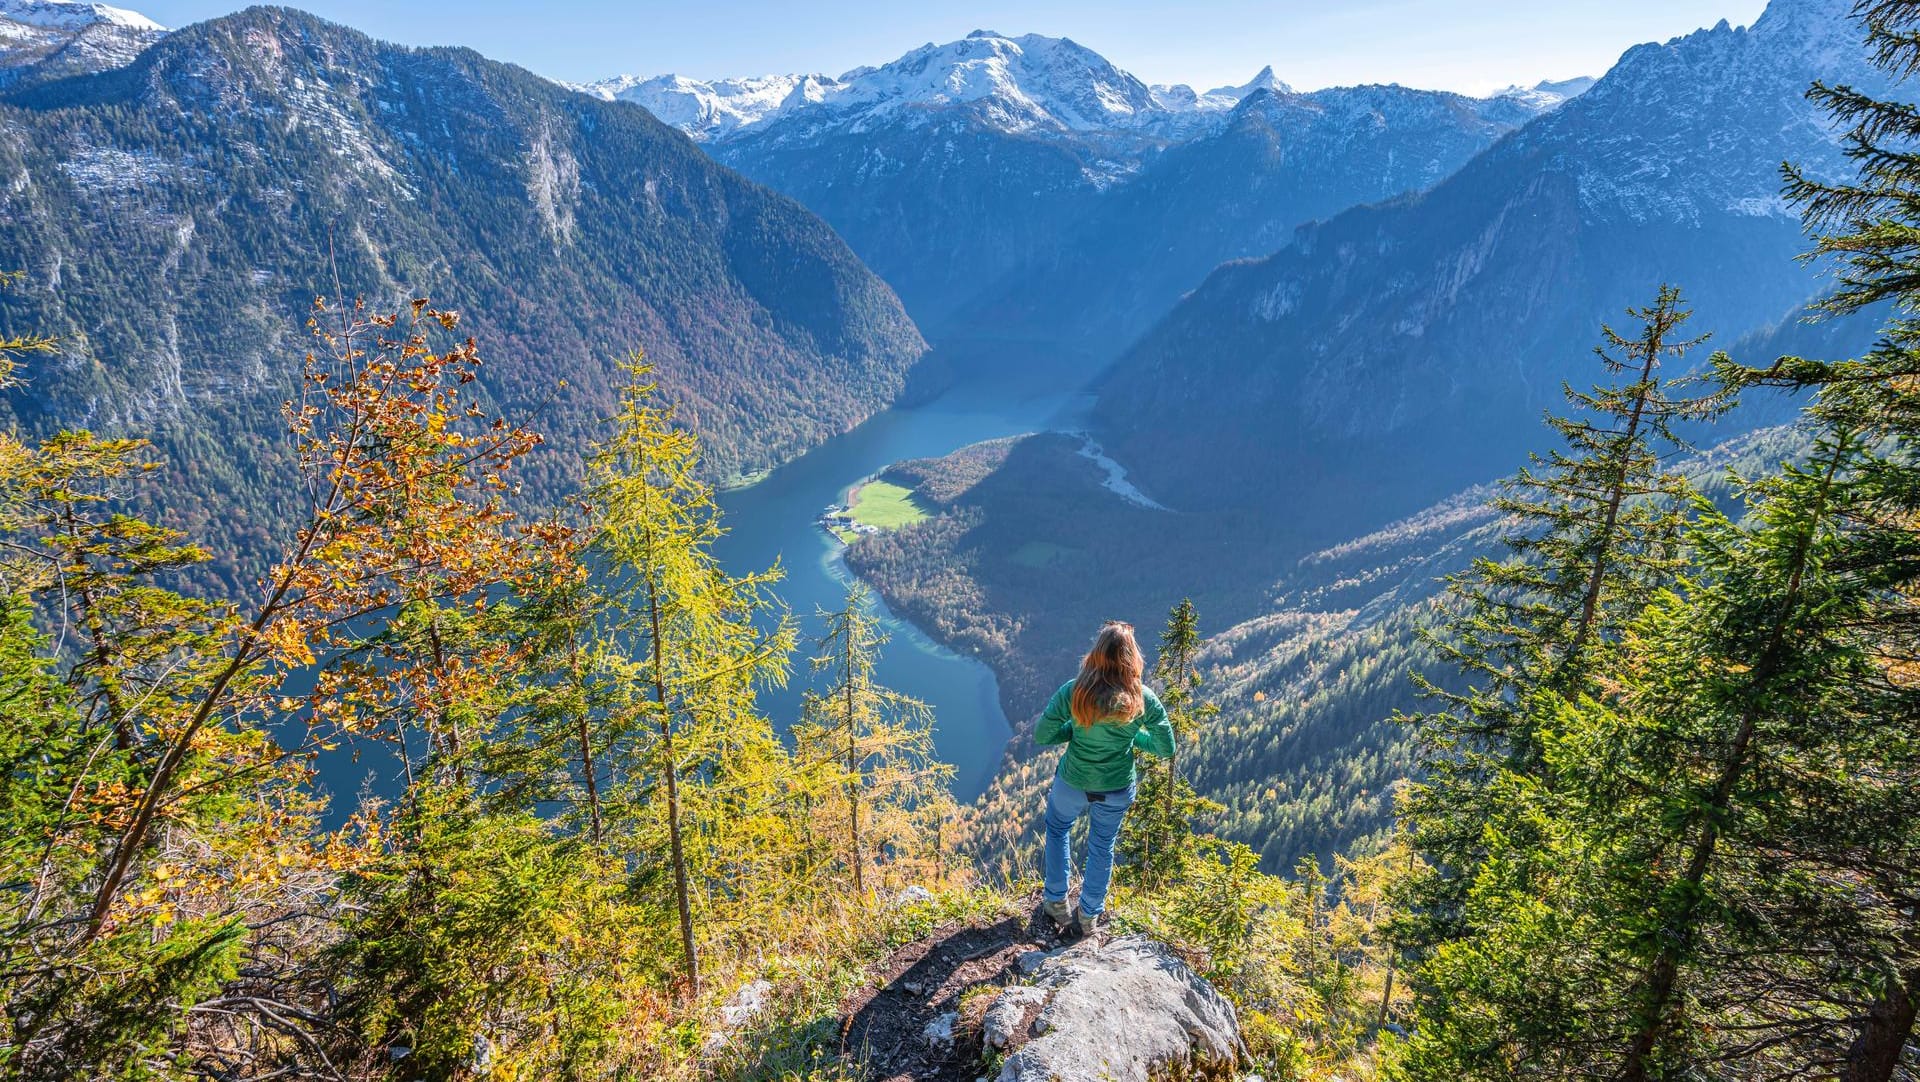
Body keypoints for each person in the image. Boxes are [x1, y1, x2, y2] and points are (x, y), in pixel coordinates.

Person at [1034, 620, 1176, 937]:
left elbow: (1043, 735)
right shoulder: (1143, 699)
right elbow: (1166, 747)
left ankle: (1056, 901)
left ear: (1096, 653)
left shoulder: (1073, 692)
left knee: (1058, 829)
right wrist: (1134, 738)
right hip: (1116, 787)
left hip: (1073, 781)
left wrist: (1072, 730)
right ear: (1131, 657)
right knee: (1102, 846)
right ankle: (1088, 915)